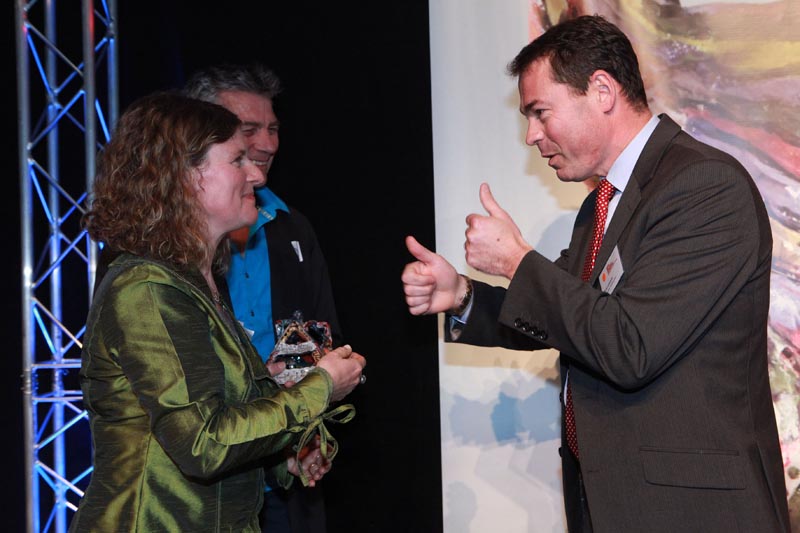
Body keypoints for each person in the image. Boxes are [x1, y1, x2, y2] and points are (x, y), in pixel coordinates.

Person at [401, 15, 789, 533]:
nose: (532, 136)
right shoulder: (602, 205)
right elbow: (568, 315)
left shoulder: (705, 187)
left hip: (693, 509)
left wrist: (519, 261)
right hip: (613, 500)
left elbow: (629, 347)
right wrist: (463, 294)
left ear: (602, 90)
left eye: (540, 113)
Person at [69, 91, 366, 532]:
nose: (256, 176)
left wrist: (283, 460)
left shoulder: (199, 280)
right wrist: (320, 388)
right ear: (185, 177)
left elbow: (216, 430)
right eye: (236, 160)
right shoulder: (146, 289)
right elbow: (203, 444)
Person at [184, 64, 341, 533]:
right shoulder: (161, 260)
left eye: (273, 128)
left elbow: (321, 338)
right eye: (249, 131)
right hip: (205, 490)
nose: (268, 145)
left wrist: (310, 438)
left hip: (286, 473)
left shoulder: (292, 226)